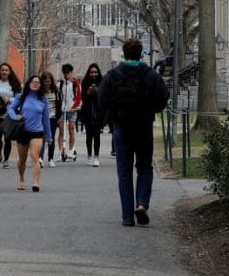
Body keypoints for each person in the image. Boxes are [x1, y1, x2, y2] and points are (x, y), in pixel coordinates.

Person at [98, 38, 169, 227]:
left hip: (121, 127)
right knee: (145, 167)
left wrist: (114, 114)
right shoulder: (151, 75)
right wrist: (149, 110)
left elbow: (102, 100)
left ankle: (127, 216)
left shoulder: (113, 75)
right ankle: (142, 203)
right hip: (144, 126)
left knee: (124, 171)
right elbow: (163, 98)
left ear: (124, 53)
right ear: (141, 54)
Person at [8, 75, 52, 192]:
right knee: (22, 159)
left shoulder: (43, 100)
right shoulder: (21, 97)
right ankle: (21, 179)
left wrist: (49, 136)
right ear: (28, 83)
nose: (36, 84)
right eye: (33, 82)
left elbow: (46, 119)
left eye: (38, 82)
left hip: (37, 132)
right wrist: (15, 116)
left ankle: (36, 182)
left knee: (34, 156)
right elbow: (11, 108)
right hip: (22, 131)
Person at [79, 63, 105, 167]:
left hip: (98, 113)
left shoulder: (102, 82)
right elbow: (84, 98)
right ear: (89, 73)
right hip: (87, 113)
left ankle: (97, 157)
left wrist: (98, 91)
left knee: (97, 135)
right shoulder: (85, 82)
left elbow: (104, 97)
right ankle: (89, 155)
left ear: (98, 73)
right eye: (92, 72)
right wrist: (89, 91)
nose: (94, 74)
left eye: (95, 72)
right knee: (89, 135)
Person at [57, 63, 82, 162]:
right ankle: (60, 152)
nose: (67, 74)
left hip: (72, 109)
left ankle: (71, 151)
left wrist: (76, 107)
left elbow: (79, 97)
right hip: (62, 110)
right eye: (65, 72)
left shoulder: (76, 84)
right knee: (61, 131)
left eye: (68, 72)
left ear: (71, 72)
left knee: (71, 129)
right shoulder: (60, 84)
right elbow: (58, 97)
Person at [40, 71, 60, 167]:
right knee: (42, 138)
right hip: (41, 118)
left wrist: (57, 117)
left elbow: (58, 105)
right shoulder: (39, 92)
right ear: (42, 82)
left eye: (49, 81)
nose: (47, 83)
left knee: (51, 138)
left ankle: (51, 158)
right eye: (45, 81)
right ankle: (40, 158)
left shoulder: (56, 92)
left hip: (52, 118)